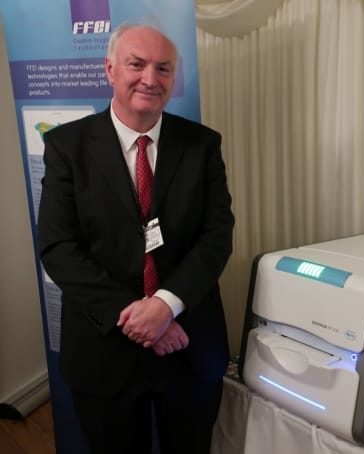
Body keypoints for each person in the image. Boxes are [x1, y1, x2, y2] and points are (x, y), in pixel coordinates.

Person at [37, 20, 234, 454]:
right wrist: (139, 317)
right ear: (110, 69)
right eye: (136, 64)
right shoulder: (67, 147)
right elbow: (58, 247)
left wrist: (165, 305)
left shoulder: (202, 146)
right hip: (103, 352)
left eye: (163, 68)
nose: (150, 78)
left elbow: (216, 237)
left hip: (188, 346)